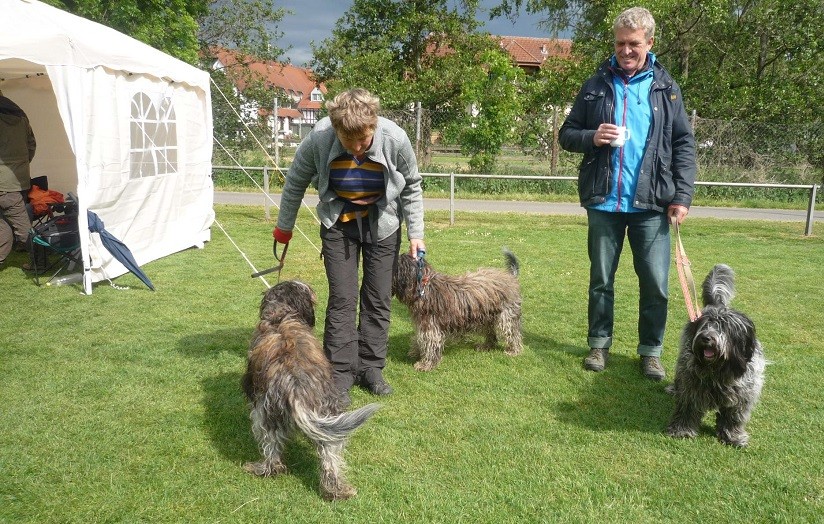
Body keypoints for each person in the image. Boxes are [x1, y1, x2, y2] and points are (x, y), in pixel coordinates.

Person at [558, 7, 696, 381]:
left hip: (651, 205)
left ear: (649, 43)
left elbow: (683, 143)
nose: (626, 50)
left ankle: (650, 352)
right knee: (601, 279)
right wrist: (592, 137)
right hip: (604, 201)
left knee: (655, 282)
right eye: (620, 43)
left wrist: (681, 197)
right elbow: (566, 134)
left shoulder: (666, 88)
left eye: (633, 43)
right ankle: (598, 346)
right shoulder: (595, 85)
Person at [273, 88, 426, 404]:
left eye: (364, 142)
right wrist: (284, 228)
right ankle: (340, 372)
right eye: (348, 142)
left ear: (374, 126)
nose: (356, 149)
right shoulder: (319, 138)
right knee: (342, 298)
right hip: (338, 223)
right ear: (336, 129)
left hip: (382, 224)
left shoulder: (395, 138)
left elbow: (412, 186)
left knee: (378, 298)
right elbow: (295, 184)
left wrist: (416, 233)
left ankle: (371, 369)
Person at [0, 89, 36, 268]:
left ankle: (40, 261)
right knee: (5, 223)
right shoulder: (19, 113)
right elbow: (32, 145)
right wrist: (20, 165)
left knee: (22, 229)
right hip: (17, 180)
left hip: (4, 184)